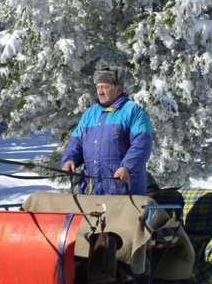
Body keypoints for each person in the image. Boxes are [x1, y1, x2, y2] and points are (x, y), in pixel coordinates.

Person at [61, 67, 153, 195]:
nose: (100, 92)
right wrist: (70, 159)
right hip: (92, 190)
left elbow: (142, 144)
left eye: (105, 87)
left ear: (118, 89)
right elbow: (77, 141)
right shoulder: (90, 114)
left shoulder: (133, 111)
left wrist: (127, 167)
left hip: (124, 191)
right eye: (98, 87)